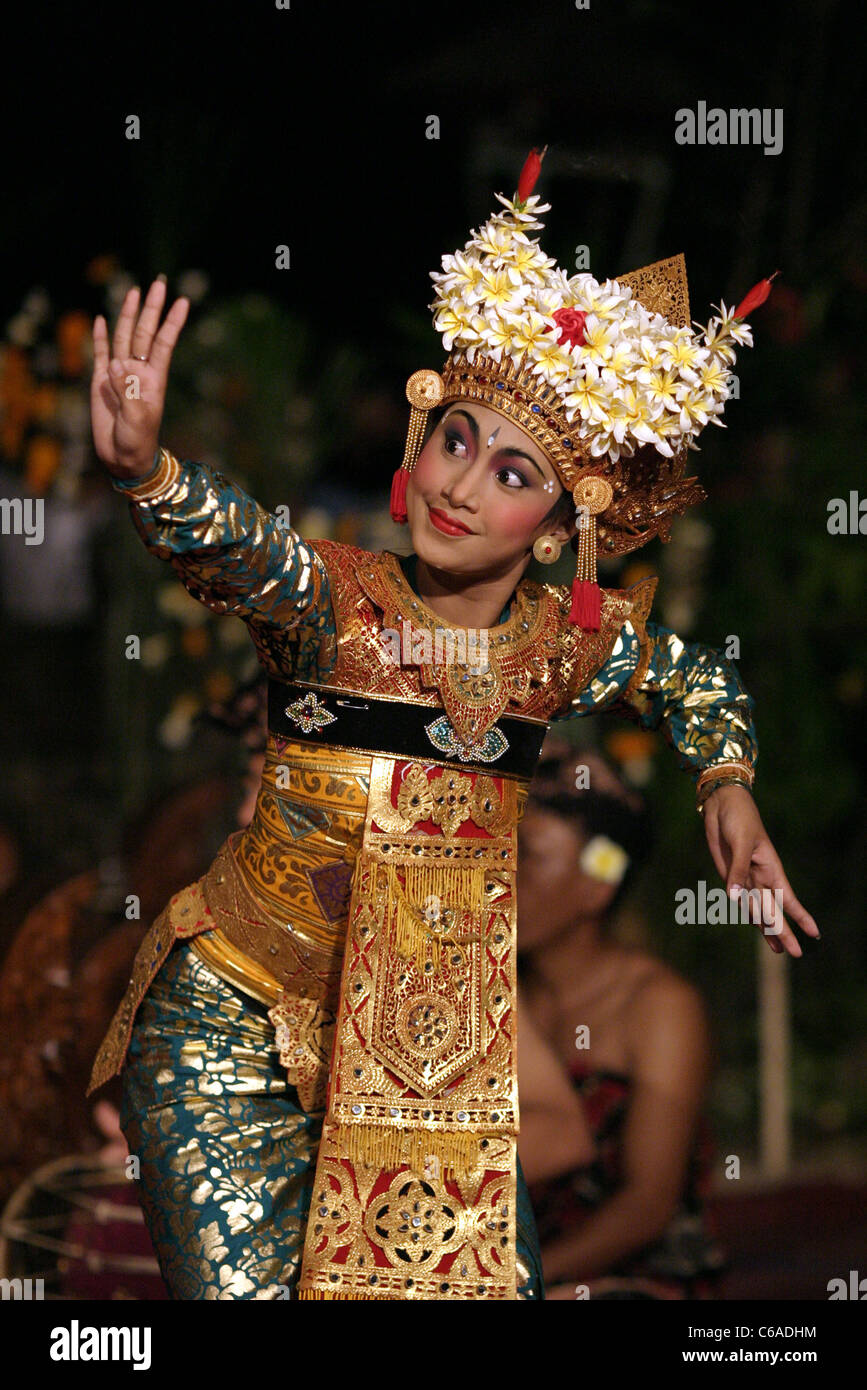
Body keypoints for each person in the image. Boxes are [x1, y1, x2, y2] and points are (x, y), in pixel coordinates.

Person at [86, 149, 818, 1301]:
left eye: (513, 471)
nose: (461, 483)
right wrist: (149, 473)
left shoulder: (559, 647)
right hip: (236, 1035)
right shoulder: (329, 601)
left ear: (555, 527)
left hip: (427, 1053)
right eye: (455, 438)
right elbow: (239, 546)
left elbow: (688, 678)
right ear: (419, 436)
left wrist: (727, 778)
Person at [516, 744, 724, 1299]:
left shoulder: (658, 1005)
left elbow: (648, 1204)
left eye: (526, 854)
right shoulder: (495, 990)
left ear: (597, 883)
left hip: (636, 1280)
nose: (499, 873)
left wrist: (523, 1284)